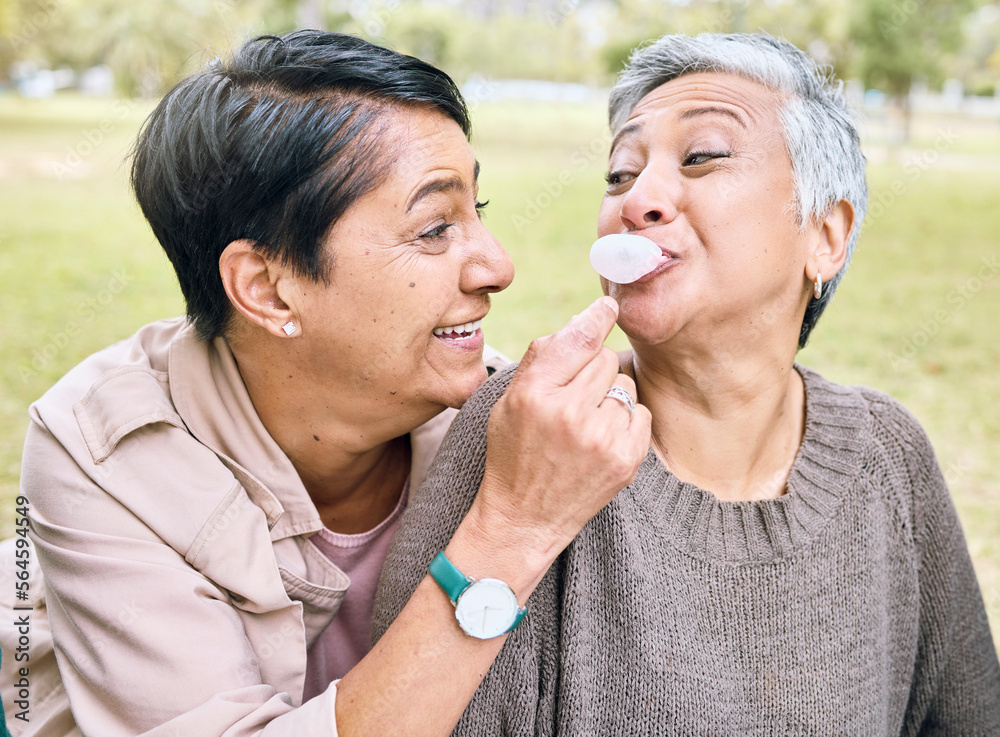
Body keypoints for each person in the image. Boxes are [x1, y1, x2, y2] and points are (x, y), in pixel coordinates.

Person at [0, 30, 652, 737]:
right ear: (269, 290)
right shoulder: (99, 453)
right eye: (435, 227)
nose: (497, 266)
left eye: (478, 211)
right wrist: (513, 531)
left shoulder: (511, 418)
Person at [373, 32, 1000, 734]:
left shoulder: (891, 456)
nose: (638, 199)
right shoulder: (528, 425)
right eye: (619, 175)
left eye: (701, 157)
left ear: (826, 235)